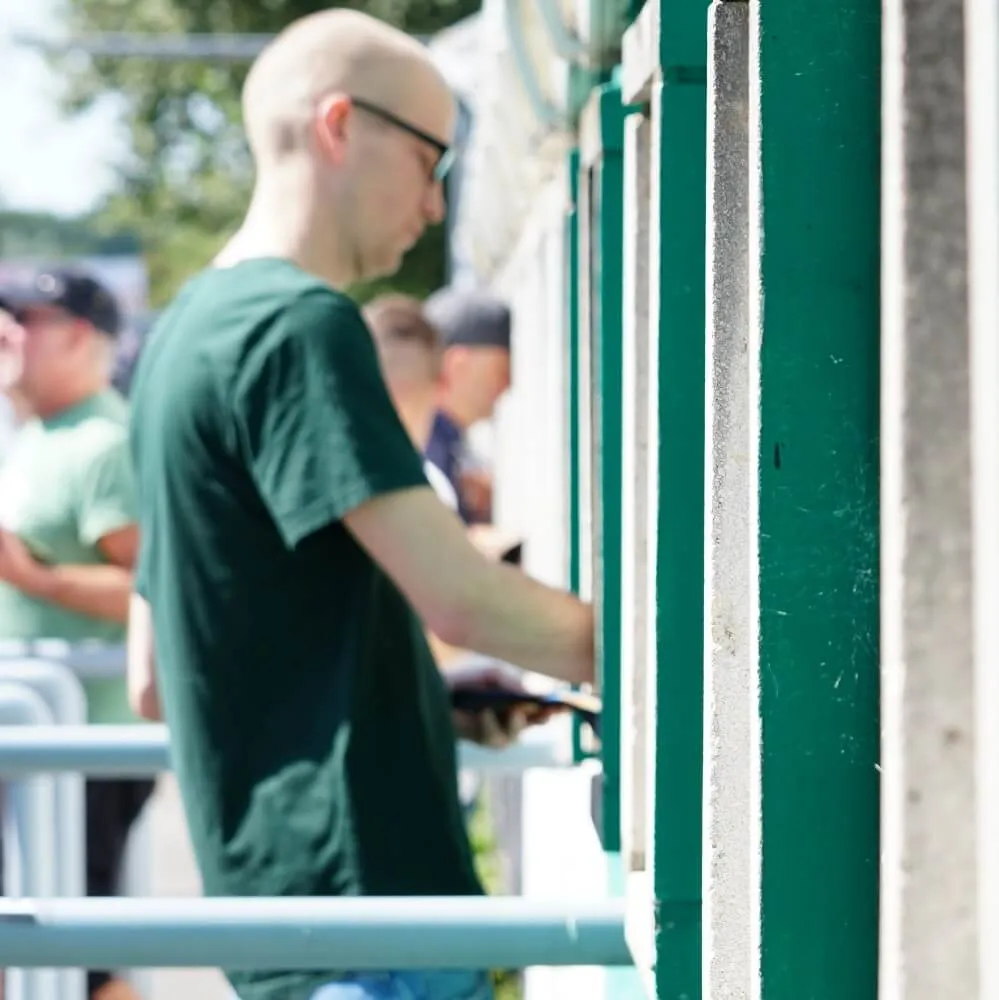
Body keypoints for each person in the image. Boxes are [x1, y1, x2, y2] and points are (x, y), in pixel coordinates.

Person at [125, 10, 594, 1000]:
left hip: (280, 913)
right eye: (433, 160)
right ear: (341, 123)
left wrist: (413, 697)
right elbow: (465, 603)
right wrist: (698, 666)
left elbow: (153, 678)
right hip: (377, 907)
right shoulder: (299, 325)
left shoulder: (178, 339)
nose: (434, 206)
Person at [0, 270, 151, 1000]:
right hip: (38, 736)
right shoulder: (36, 434)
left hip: (86, 742)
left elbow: (157, 590)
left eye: (22, 318)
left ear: (79, 336)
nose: (6, 333)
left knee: (84, 951)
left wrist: (40, 580)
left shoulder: (102, 441)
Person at [423, 288, 512, 524]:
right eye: (500, 371)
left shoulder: (444, 443)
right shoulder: (425, 449)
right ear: (458, 364)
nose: (507, 385)